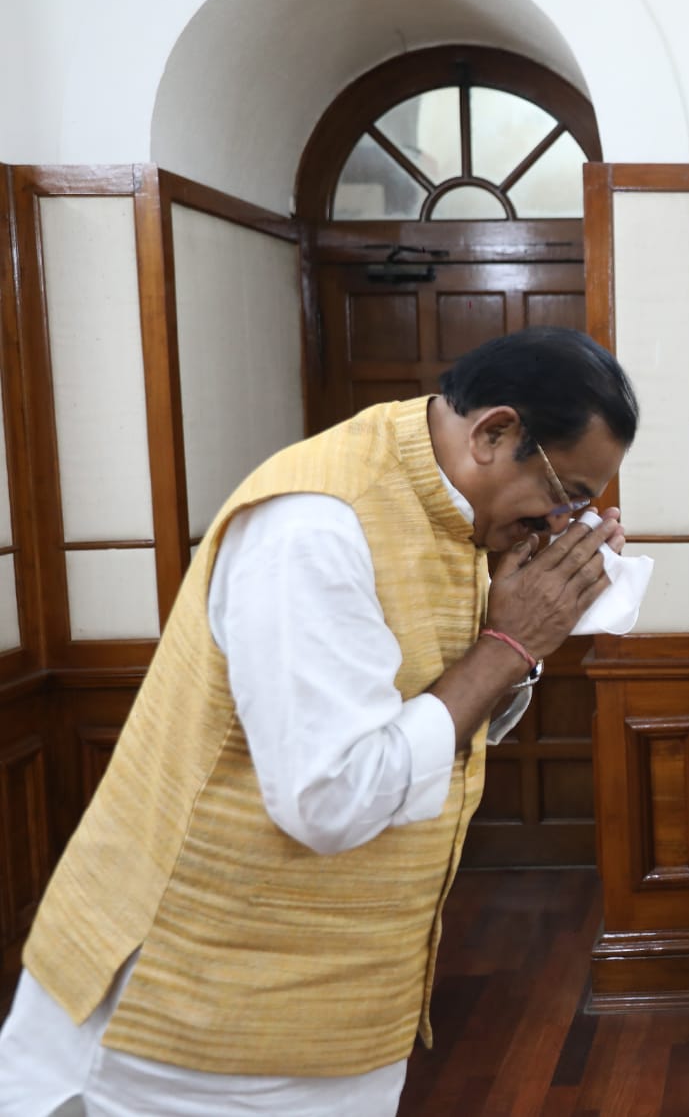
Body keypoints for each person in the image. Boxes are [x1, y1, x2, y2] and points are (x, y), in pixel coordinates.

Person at [0, 326, 639, 1117]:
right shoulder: (318, 524)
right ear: (494, 432)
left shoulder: (448, 514)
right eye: (566, 492)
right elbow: (328, 800)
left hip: (337, 999)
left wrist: (514, 646)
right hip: (195, 1008)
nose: (561, 522)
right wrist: (509, 648)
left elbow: (442, 721)